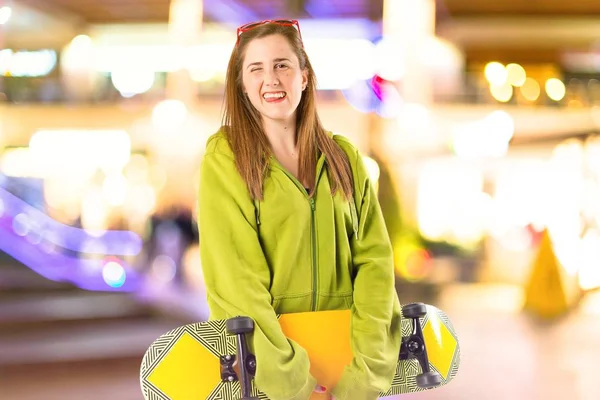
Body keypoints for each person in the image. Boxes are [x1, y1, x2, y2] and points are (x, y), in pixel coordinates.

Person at [198, 19, 402, 400]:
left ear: (304, 77)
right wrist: (293, 386)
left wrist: (364, 376)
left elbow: (375, 264)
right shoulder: (226, 158)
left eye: (282, 65)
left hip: (349, 373)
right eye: (255, 68)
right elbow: (236, 281)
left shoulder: (345, 158)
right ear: (242, 85)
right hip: (268, 377)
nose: (271, 79)